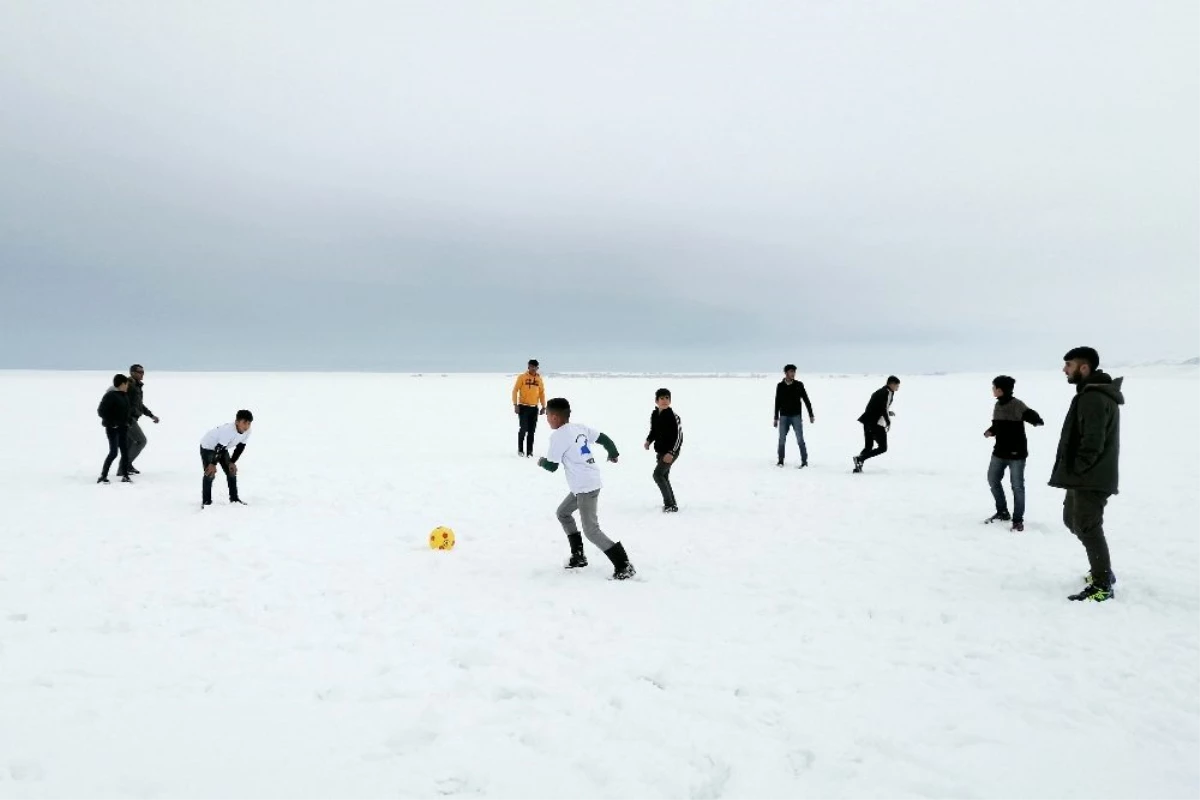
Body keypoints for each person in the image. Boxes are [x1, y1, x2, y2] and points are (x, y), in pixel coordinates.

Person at [1049, 347, 1124, 602]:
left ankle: (1103, 583)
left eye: (1068, 365)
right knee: (1072, 520)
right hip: (1086, 475)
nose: (1064, 370)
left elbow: (1093, 441)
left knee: (1088, 526)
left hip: (1091, 476)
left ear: (1084, 368)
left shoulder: (1093, 397)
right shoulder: (1091, 395)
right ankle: (1102, 572)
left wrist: (1079, 469)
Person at [537, 397, 636, 579]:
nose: (548, 420)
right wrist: (613, 453)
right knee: (563, 513)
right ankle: (579, 556)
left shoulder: (558, 436)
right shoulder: (579, 428)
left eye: (548, 416)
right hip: (585, 484)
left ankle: (623, 564)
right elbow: (604, 438)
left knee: (591, 530)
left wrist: (541, 461)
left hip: (585, 487)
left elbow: (552, 466)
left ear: (555, 417)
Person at [983, 375, 1045, 531]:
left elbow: (1034, 418)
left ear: (1000, 389)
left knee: (1017, 487)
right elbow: (997, 426)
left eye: (994, 387)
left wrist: (1035, 419)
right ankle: (1003, 512)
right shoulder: (997, 405)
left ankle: (1018, 520)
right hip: (999, 452)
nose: (992, 390)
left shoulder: (1017, 405)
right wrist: (991, 431)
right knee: (992, 479)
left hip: (1016, 454)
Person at [199, 410, 254, 507]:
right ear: (237, 422)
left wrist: (232, 462)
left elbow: (240, 447)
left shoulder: (247, 431)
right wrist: (212, 464)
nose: (246, 426)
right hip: (208, 447)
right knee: (210, 473)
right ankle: (206, 502)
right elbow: (218, 448)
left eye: (249, 423)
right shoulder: (228, 431)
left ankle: (234, 499)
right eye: (244, 422)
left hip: (222, 447)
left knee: (231, 471)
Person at [644, 388, 682, 512]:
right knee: (664, 477)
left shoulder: (673, 416)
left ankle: (669, 505)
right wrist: (649, 440)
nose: (664, 401)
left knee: (657, 475)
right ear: (656, 401)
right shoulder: (655, 414)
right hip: (660, 452)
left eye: (667, 398)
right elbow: (654, 431)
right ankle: (672, 503)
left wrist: (671, 453)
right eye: (662, 398)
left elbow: (679, 437)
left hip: (671, 452)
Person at [853, 376, 900, 473]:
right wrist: (888, 421)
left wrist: (888, 412)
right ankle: (860, 459)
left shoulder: (884, 392)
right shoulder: (885, 393)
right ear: (891, 384)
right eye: (897, 385)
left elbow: (880, 407)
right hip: (874, 422)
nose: (898, 388)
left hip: (868, 421)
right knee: (883, 447)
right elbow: (882, 408)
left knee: (868, 446)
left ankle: (858, 463)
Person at [773, 364, 814, 467]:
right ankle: (780, 461)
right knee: (781, 439)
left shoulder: (799, 385)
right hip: (783, 416)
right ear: (786, 373)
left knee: (800, 439)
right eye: (791, 372)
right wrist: (775, 417)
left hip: (796, 416)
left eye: (794, 372)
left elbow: (806, 399)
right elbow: (777, 402)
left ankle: (804, 462)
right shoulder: (780, 386)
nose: (793, 374)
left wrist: (811, 414)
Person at [125, 363, 161, 474]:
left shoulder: (137, 386)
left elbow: (139, 405)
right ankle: (125, 466)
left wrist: (151, 415)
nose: (142, 374)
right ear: (132, 373)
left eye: (143, 372)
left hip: (132, 418)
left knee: (130, 445)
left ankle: (124, 468)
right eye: (139, 372)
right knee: (141, 441)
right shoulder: (129, 385)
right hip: (127, 419)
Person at [96, 374, 133, 483]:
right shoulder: (110, 395)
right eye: (127, 384)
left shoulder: (124, 395)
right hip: (112, 428)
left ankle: (125, 476)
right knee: (113, 453)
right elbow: (101, 411)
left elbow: (126, 412)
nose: (128, 386)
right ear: (122, 384)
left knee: (125, 452)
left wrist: (129, 421)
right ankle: (103, 476)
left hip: (123, 428)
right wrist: (112, 423)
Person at [512, 359, 546, 457]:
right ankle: (520, 450)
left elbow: (541, 393)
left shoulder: (539, 379)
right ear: (528, 367)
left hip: (534, 408)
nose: (533, 368)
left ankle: (529, 452)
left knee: (532, 431)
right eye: (531, 366)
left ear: (537, 368)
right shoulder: (522, 377)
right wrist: (515, 405)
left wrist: (544, 406)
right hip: (523, 407)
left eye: (535, 367)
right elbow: (515, 390)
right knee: (523, 428)